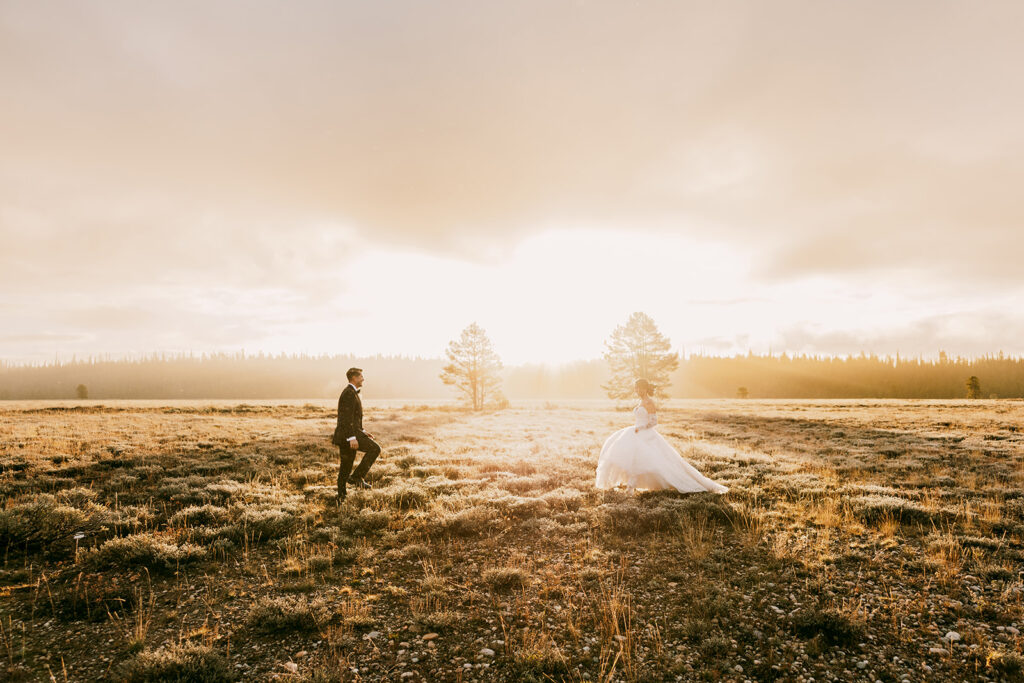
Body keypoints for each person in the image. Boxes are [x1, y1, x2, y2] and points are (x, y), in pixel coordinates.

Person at [596, 379, 728, 494]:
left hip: (645, 435)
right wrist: (637, 429)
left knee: (656, 461)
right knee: (627, 456)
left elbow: (654, 421)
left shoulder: (649, 402)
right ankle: (631, 486)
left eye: (638, 388)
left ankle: (632, 486)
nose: (636, 390)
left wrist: (640, 429)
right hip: (636, 432)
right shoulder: (641, 401)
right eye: (635, 388)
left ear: (644, 388)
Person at [332, 367, 381, 501]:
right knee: (374, 449)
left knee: (346, 465)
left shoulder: (352, 392)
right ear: (353, 377)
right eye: (360, 376)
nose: (363, 379)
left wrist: (363, 431)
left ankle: (347, 489)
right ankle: (353, 482)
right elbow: (345, 418)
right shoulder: (348, 393)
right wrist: (352, 438)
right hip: (347, 436)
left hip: (351, 433)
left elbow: (354, 417)